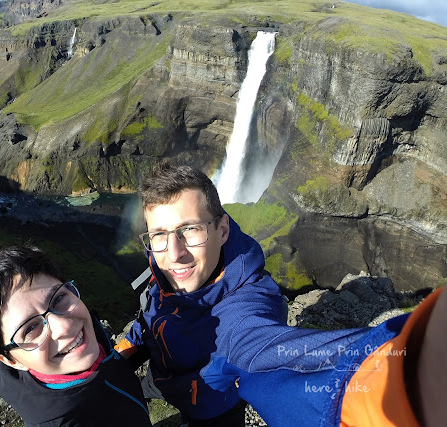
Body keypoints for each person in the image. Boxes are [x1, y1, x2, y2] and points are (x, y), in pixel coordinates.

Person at [115, 163, 444, 426]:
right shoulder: (165, 263)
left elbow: (279, 353)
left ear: (223, 229)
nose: (174, 253)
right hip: (164, 377)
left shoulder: (242, 313)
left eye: (190, 229)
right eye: (159, 234)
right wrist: (125, 349)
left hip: (212, 407)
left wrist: (408, 369)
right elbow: (152, 313)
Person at [0, 245, 152, 427]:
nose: (64, 326)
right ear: (11, 361)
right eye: (30, 329)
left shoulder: (85, 327)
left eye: (58, 298)